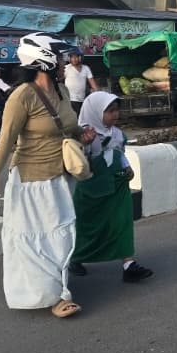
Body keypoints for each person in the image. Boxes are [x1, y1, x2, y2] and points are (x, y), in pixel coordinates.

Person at [0, 33, 96, 319]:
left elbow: (69, 128)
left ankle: (58, 288)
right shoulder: (22, 96)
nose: (64, 63)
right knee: (37, 241)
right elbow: (5, 142)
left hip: (60, 176)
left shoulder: (62, 91)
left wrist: (83, 135)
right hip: (30, 180)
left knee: (61, 237)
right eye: (60, 58)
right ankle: (56, 297)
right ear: (44, 60)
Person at [69, 91, 154, 283]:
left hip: (116, 185)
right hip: (90, 189)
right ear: (96, 112)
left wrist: (127, 167)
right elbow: (77, 160)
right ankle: (76, 258)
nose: (115, 115)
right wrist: (84, 144)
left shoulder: (116, 134)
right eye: (110, 111)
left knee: (122, 222)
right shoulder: (84, 134)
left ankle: (128, 264)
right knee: (88, 226)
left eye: (117, 110)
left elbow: (119, 153)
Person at [63, 48, 97, 116]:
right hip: (70, 99)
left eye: (76, 57)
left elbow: (93, 84)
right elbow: (59, 79)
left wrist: (96, 94)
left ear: (81, 58)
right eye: (72, 57)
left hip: (82, 99)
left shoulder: (86, 68)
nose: (74, 59)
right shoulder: (66, 68)